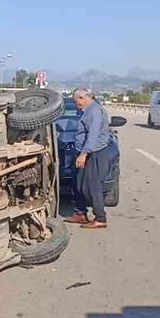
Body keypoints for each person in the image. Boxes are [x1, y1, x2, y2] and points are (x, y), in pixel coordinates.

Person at [64, 87, 118, 229]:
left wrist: (84, 154)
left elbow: (92, 135)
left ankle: (100, 218)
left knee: (92, 186)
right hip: (86, 152)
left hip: (95, 153)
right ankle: (80, 213)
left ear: (83, 97)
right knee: (79, 183)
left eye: (77, 102)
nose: (77, 105)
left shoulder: (94, 111)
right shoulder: (88, 110)